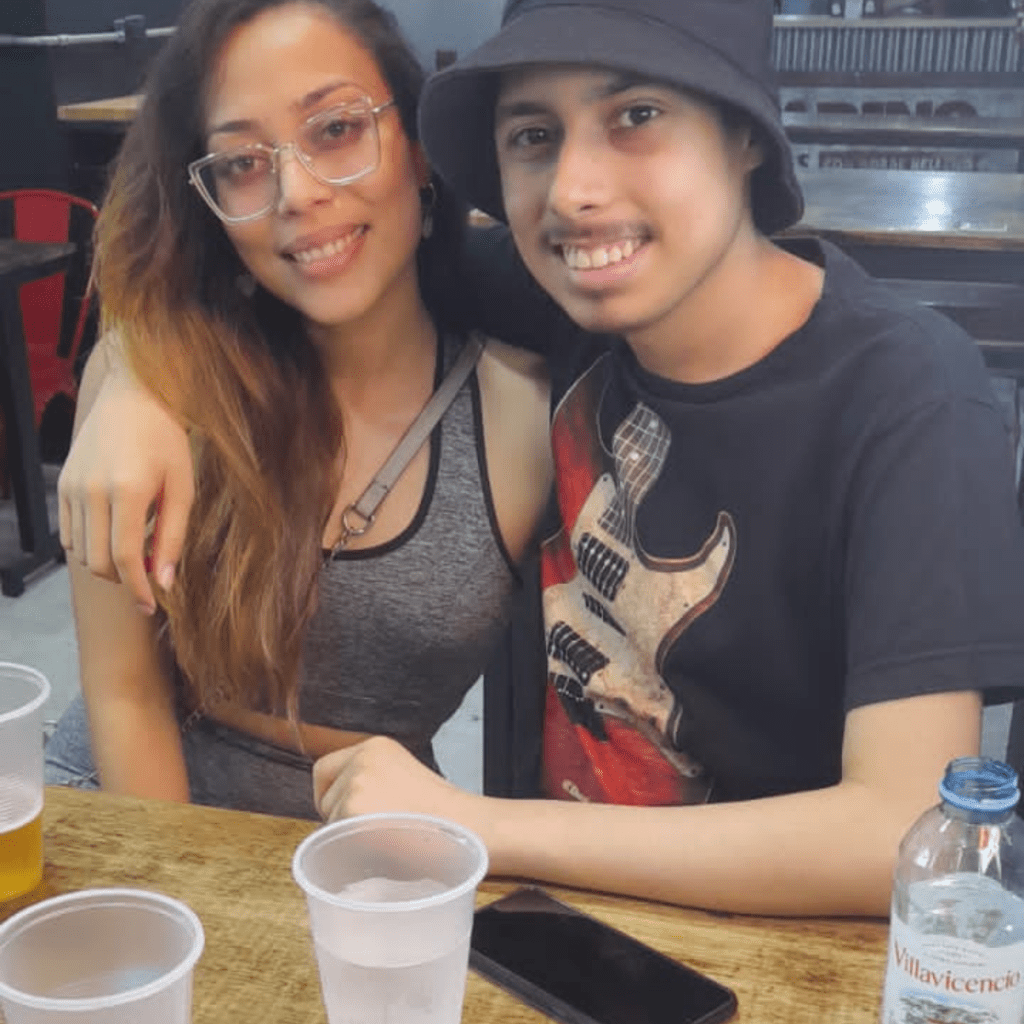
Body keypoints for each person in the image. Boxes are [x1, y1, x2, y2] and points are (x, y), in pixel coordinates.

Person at [60, 0, 1024, 916]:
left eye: (636, 115)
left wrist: (482, 827)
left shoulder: (906, 398)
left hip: (759, 929)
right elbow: (262, 269)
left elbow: (902, 827)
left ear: (744, 133)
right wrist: (133, 377)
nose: (573, 193)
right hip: (539, 919)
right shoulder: (555, 295)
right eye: (532, 137)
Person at [44, 0, 552, 820]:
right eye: (242, 162)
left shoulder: (525, 413)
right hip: (133, 832)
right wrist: (190, 919)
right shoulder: (157, 387)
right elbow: (125, 699)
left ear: (419, 151)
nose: (297, 192)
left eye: (337, 129)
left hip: (366, 859)